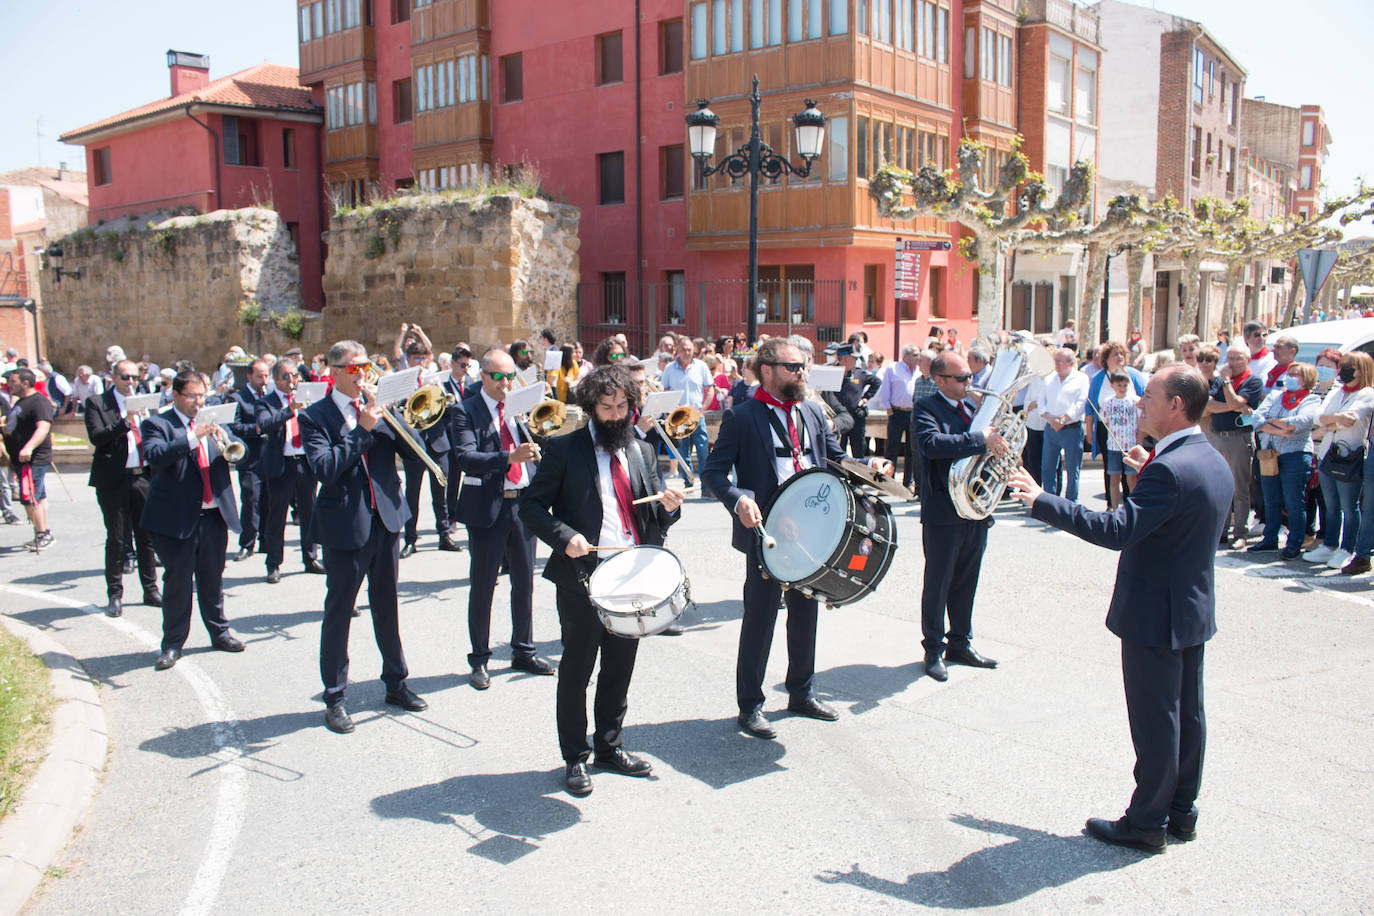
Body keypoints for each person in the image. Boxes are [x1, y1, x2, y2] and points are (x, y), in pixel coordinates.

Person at [1006, 366, 1233, 854]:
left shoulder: (1170, 470)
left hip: (1156, 612)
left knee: (1157, 722)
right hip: (1191, 607)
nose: (1137, 404)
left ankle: (1146, 821)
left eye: (1148, 395)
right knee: (1188, 717)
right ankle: (1180, 812)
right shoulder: (1204, 458)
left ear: (1176, 405)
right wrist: (1148, 466)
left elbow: (1115, 529)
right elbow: (1178, 512)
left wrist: (1043, 499)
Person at [703, 338, 891, 738]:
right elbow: (714, 474)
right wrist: (739, 501)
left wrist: (868, 466)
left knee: (807, 613)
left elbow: (835, 459)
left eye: (803, 366)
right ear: (766, 369)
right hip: (767, 533)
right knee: (760, 618)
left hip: (815, 529)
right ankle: (750, 704)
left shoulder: (811, 411)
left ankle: (801, 691)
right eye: (793, 367)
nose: (802, 373)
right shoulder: (741, 416)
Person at [519, 366, 684, 796]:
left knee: (620, 666)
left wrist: (668, 506)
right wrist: (565, 536)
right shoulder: (563, 449)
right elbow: (532, 507)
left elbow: (658, 514)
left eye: (623, 407)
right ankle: (575, 757)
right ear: (591, 407)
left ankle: (609, 746)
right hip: (583, 575)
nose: (615, 416)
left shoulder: (643, 450)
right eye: (606, 408)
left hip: (633, 571)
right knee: (577, 669)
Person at [298, 340, 428, 734]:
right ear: (333, 372)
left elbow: (418, 455)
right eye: (353, 369)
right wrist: (362, 430)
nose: (361, 375)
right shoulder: (314, 416)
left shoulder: (378, 409)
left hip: (386, 520)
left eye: (365, 367)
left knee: (387, 606)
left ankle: (396, 682)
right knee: (339, 612)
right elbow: (325, 469)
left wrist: (395, 422)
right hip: (345, 524)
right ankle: (335, 696)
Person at [451, 347, 556, 690]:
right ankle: (479, 659)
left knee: (524, 582)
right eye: (498, 376)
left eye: (510, 375)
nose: (506, 383)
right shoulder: (464, 411)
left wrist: (539, 432)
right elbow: (466, 457)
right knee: (483, 586)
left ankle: (523, 650)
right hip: (487, 508)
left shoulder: (517, 408)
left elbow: (538, 438)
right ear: (482, 376)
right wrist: (509, 456)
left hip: (522, 504)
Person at [139, 370, 247, 671]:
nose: (198, 402)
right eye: (192, 396)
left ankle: (220, 632)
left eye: (202, 395)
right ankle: (173, 644)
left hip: (213, 515)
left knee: (213, 579)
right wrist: (191, 437)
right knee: (178, 583)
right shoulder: (157, 424)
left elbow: (238, 448)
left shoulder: (215, 420)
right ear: (175, 396)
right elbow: (155, 455)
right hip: (176, 519)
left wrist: (228, 445)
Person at [912, 352, 1008, 681]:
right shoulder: (926, 408)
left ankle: (960, 642)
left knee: (967, 580)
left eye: (971, 377)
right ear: (939, 381)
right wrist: (981, 439)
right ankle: (933, 649)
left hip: (976, 509)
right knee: (938, 584)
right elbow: (931, 444)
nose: (970, 383)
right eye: (962, 378)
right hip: (943, 510)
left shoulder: (976, 408)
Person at [84, 359, 161, 616]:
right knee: (117, 539)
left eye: (135, 378)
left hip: (143, 476)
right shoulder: (97, 403)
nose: (131, 383)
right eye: (125, 377)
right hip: (113, 479)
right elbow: (98, 437)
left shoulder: (145, 401)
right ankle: (115, 594)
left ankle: (150, 589)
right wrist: (125, 422)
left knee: (146, 537)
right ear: (113, 378)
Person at [255, 358, 325, 583]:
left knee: (310, 511)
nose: (291, 380)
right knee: (277, 514)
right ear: (275, 379)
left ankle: (310, 556)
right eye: (285, 376)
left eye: (294, 376)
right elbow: (264, 425)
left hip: (304, 461)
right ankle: (274, 563)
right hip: (281, 463)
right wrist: (289, 410)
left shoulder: (307, 399)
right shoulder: (266, 402)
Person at [1307, 352, 1374, 570]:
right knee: (1331, 505)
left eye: (1349, 367)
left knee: (1349, 506)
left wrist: (1328, 423)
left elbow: (1350, 419)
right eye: (1343, 365)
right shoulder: (1337, 392)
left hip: (1349, 458)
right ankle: (1330, 545)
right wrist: (1333, 421)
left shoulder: (1367, 393)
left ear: (1361, 370)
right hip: (1328, 454)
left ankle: (1348, 549)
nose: (1343, 370)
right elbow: (1317, 416)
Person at [1249, 363, 1322, 560]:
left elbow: (1301, 422)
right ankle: (1270, 538)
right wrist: (1282, 430)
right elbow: (1256, 418)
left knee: (1293, 501)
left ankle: (1294, 542)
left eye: (1295, 374)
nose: (1289, 377)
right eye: (1289, 373)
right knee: (1271, 499)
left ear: (1306, 378)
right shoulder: (1275, 396)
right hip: (1270, 454)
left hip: (1296, 455)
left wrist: (1270, 424)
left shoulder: (1311, 399)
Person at [1205, 344, 1265, 549]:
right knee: (1219, 486)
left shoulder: (1253, 381)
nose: (1233, 363)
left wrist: (1229, 386)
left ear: (1247, 359)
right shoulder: (1220, 381)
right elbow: (1208, 405)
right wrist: (1232, 406)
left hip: (1239, 438)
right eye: (1230, 359)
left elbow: (1237, 400)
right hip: (1217, 436)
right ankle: (1220, 531)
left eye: (1238, 358)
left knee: (1240, 488)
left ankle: (1240, 532)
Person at [398, 341, 455, 557]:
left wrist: (437, 389)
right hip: (413, 442)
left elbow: (447, 404)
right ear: (408, 359)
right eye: (416, 358)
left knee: (440, 491)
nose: (420, 362)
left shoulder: (434, 377)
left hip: (437, 441)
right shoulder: (403, 380)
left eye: (423, 358)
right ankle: (410, 539)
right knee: (412, 493)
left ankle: (444, 534)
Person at [3, 368, 55, 550]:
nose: (9, 385)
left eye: (13, 382)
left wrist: (28, 447)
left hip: (32, 458)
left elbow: (43, 428)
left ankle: (42, 533)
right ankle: (44, 530)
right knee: (38, 496)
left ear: (25, 383)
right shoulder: (22, 401)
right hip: (20, 458)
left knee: (29, 496)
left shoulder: (38, 402)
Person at [228, 359, 270, 562]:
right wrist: (257, 429)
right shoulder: (237, 397)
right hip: (250, 457)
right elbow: (234, 427)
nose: (264, 380)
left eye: (266, 375)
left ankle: (265, 539)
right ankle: (247, 543)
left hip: (270, 456)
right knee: (251, 499)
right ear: (249, 377)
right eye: (259, 376)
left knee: (268, 500)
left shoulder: (270, 396)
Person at [660, 335, 714, 490]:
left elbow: (710, 388)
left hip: (697, 415)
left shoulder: (701, 366)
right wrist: (672, 408)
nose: (687, 352)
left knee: (703, 451)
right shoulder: (669, 368)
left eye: (690, 349)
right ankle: (688, 481)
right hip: (679, 418)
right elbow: (665, 390)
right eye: (684, 349)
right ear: (678, 350)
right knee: (682, 453)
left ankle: (705, 486)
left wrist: (703, 409)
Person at [1039, 348, 1090, 503]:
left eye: (1060, 361)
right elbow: (1041, 402)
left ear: (1071, 363)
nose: (1057, 364)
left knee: (1072, 468)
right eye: (1056, 361)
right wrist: (1051, 419)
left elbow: (1080, 403)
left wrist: (1064, 419)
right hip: (1051, 428)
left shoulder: (1081, 378)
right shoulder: (1049, 378)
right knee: (1048, 467)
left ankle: (1070, 503)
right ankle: (1050, 501)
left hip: (1072, 428)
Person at [876, 344, 920, 491]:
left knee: (911, 449)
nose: (918, 357)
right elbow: (885, 390)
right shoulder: (893, 368)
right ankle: (888, 482)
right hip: (897, 412)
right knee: (892, 448)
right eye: (915, 354)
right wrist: (888, 409)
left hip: (913, 413)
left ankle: (908, 482)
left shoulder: (919, 371)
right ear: (906, 356)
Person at [1101, 371, 1140, 510]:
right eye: (1119, 385)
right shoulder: (1108, 402)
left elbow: (1140, 421)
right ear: (1112, 385)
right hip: (1113, 446)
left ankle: (1134, 508)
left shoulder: (1134, 401)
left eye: (1125, 385)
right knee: (1114, 478)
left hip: (1130, 446)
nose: (1122, 388)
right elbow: (1105, 421)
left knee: (1131, 479)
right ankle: (1115, 508)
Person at [834, 344, 880, 458]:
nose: (856, 360)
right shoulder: (832, 372)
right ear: (844, 358)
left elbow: (877, 382)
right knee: (837, 452)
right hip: (838, 418)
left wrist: (865, 398)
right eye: (853, 357)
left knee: (858, 452)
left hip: (856, 418)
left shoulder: (859, 373)